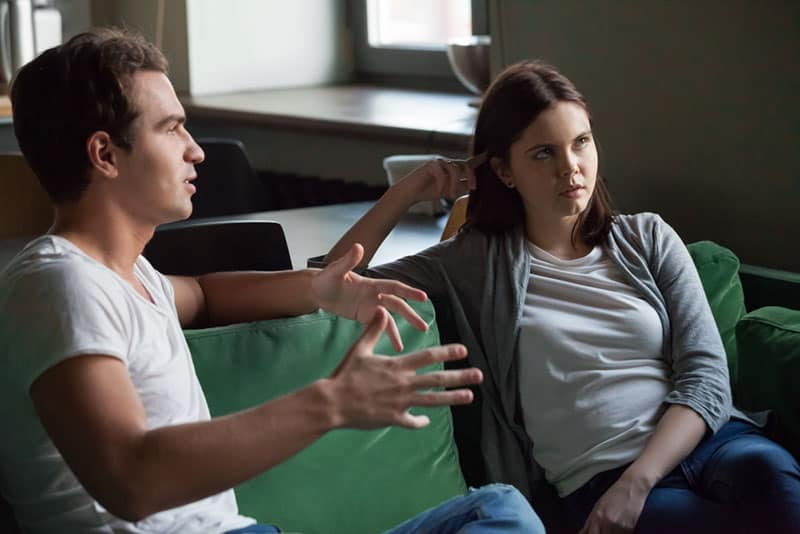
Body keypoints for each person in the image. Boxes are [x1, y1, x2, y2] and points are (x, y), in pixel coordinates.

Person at [0, 28, 546, 533]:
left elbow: (205, 294)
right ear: (104, 155)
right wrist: (332, 402)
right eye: (171, 128)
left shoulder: (128, 274)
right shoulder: (59, 285)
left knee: (499, 509)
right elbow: (131, 480)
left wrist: (319, 289)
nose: (196, 149)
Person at [326, 60, 800, 533]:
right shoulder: (472, 264)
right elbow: (332, 280)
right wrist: (409, 191)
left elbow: (707, 376)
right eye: (543, 153)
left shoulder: (648, 237)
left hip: (713, 446)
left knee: (775, 481)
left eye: (581, 142)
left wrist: (637, 482)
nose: (570, 168)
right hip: (598, 479)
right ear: (504, 171)